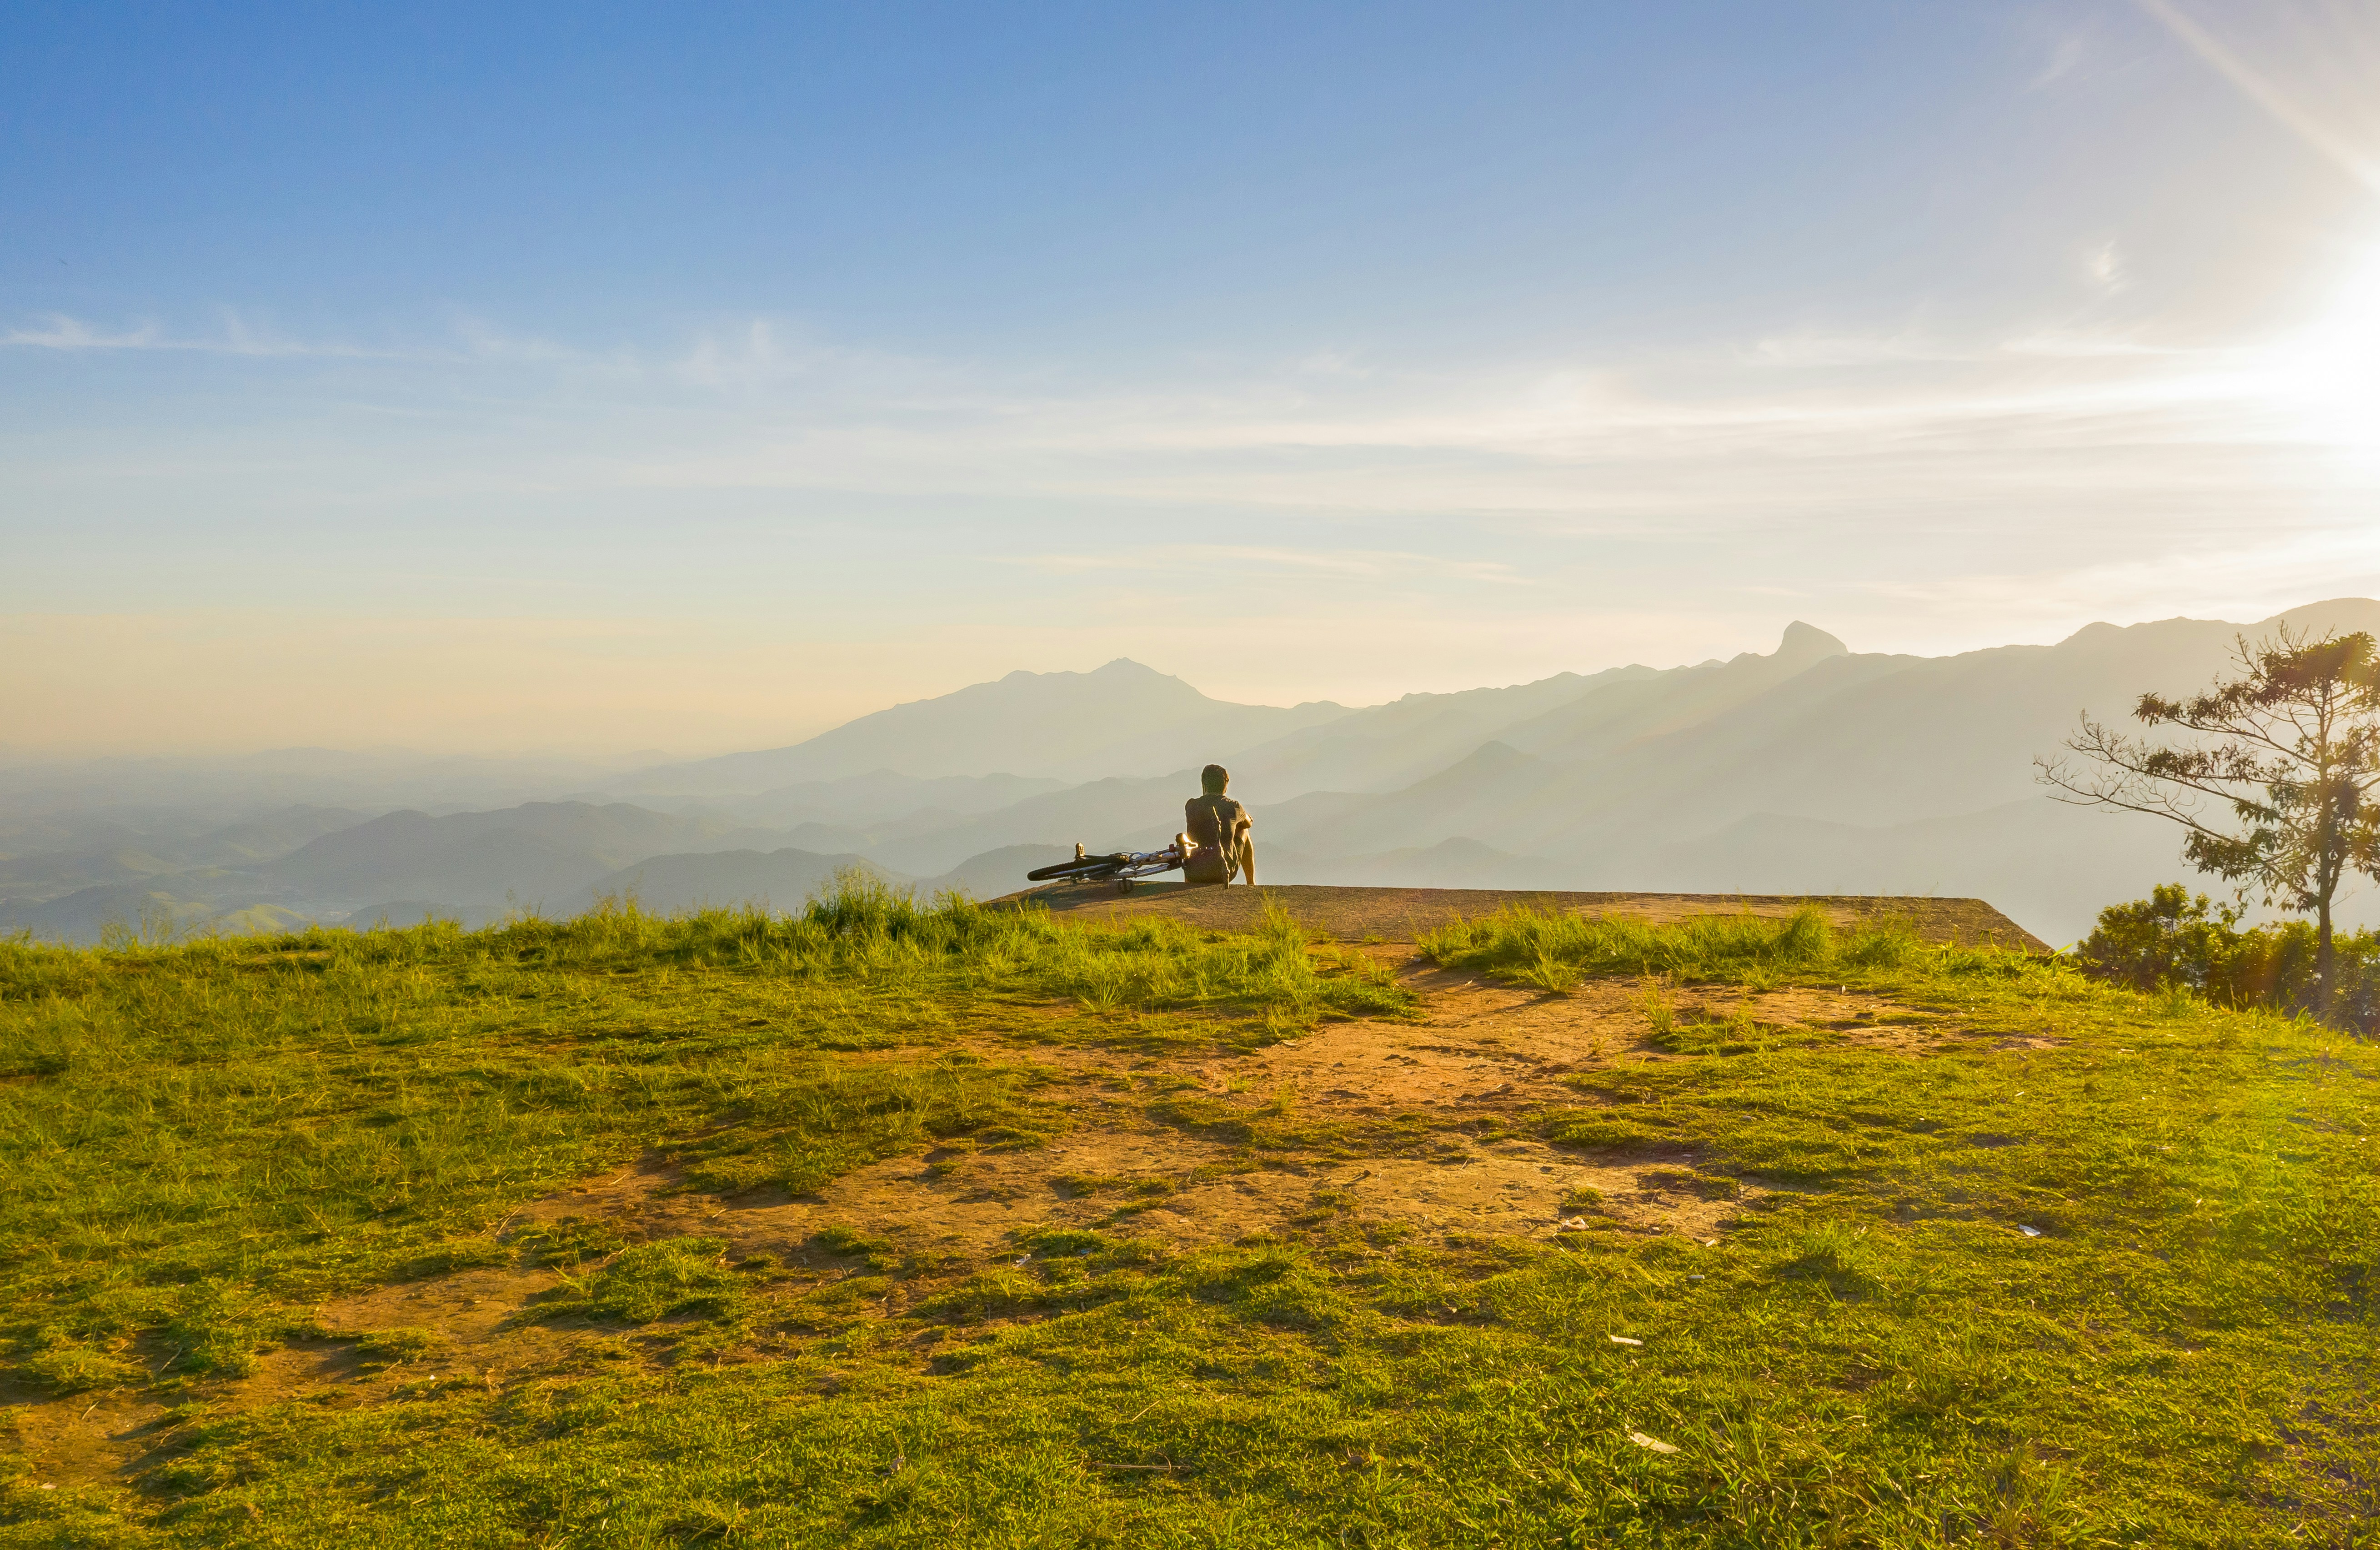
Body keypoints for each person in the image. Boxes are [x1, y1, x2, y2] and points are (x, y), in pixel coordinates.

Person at [1180, 764, 1255, 886]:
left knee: (1191, 841)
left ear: (1204, 785)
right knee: (1244, 831)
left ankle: (1189, 884)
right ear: (1225, 787)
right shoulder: (1234, 807)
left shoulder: (1191, 805)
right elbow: (1248, 824)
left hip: (1194, 873)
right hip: (1224, 871)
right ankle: (1251, 883)